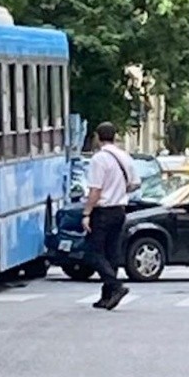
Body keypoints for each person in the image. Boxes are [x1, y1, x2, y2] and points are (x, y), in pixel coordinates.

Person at [82, 122, 138, 310]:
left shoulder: (99, 159)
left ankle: (115, 286)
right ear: (115, 136)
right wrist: (119, 190)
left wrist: (86, 213)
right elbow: (135, 184)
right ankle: (106, 296)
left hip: (103, 211)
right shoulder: (125, 157)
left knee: (94, 252)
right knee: (111, 252)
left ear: (98, 137)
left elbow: (95, 190)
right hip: (119, 210)